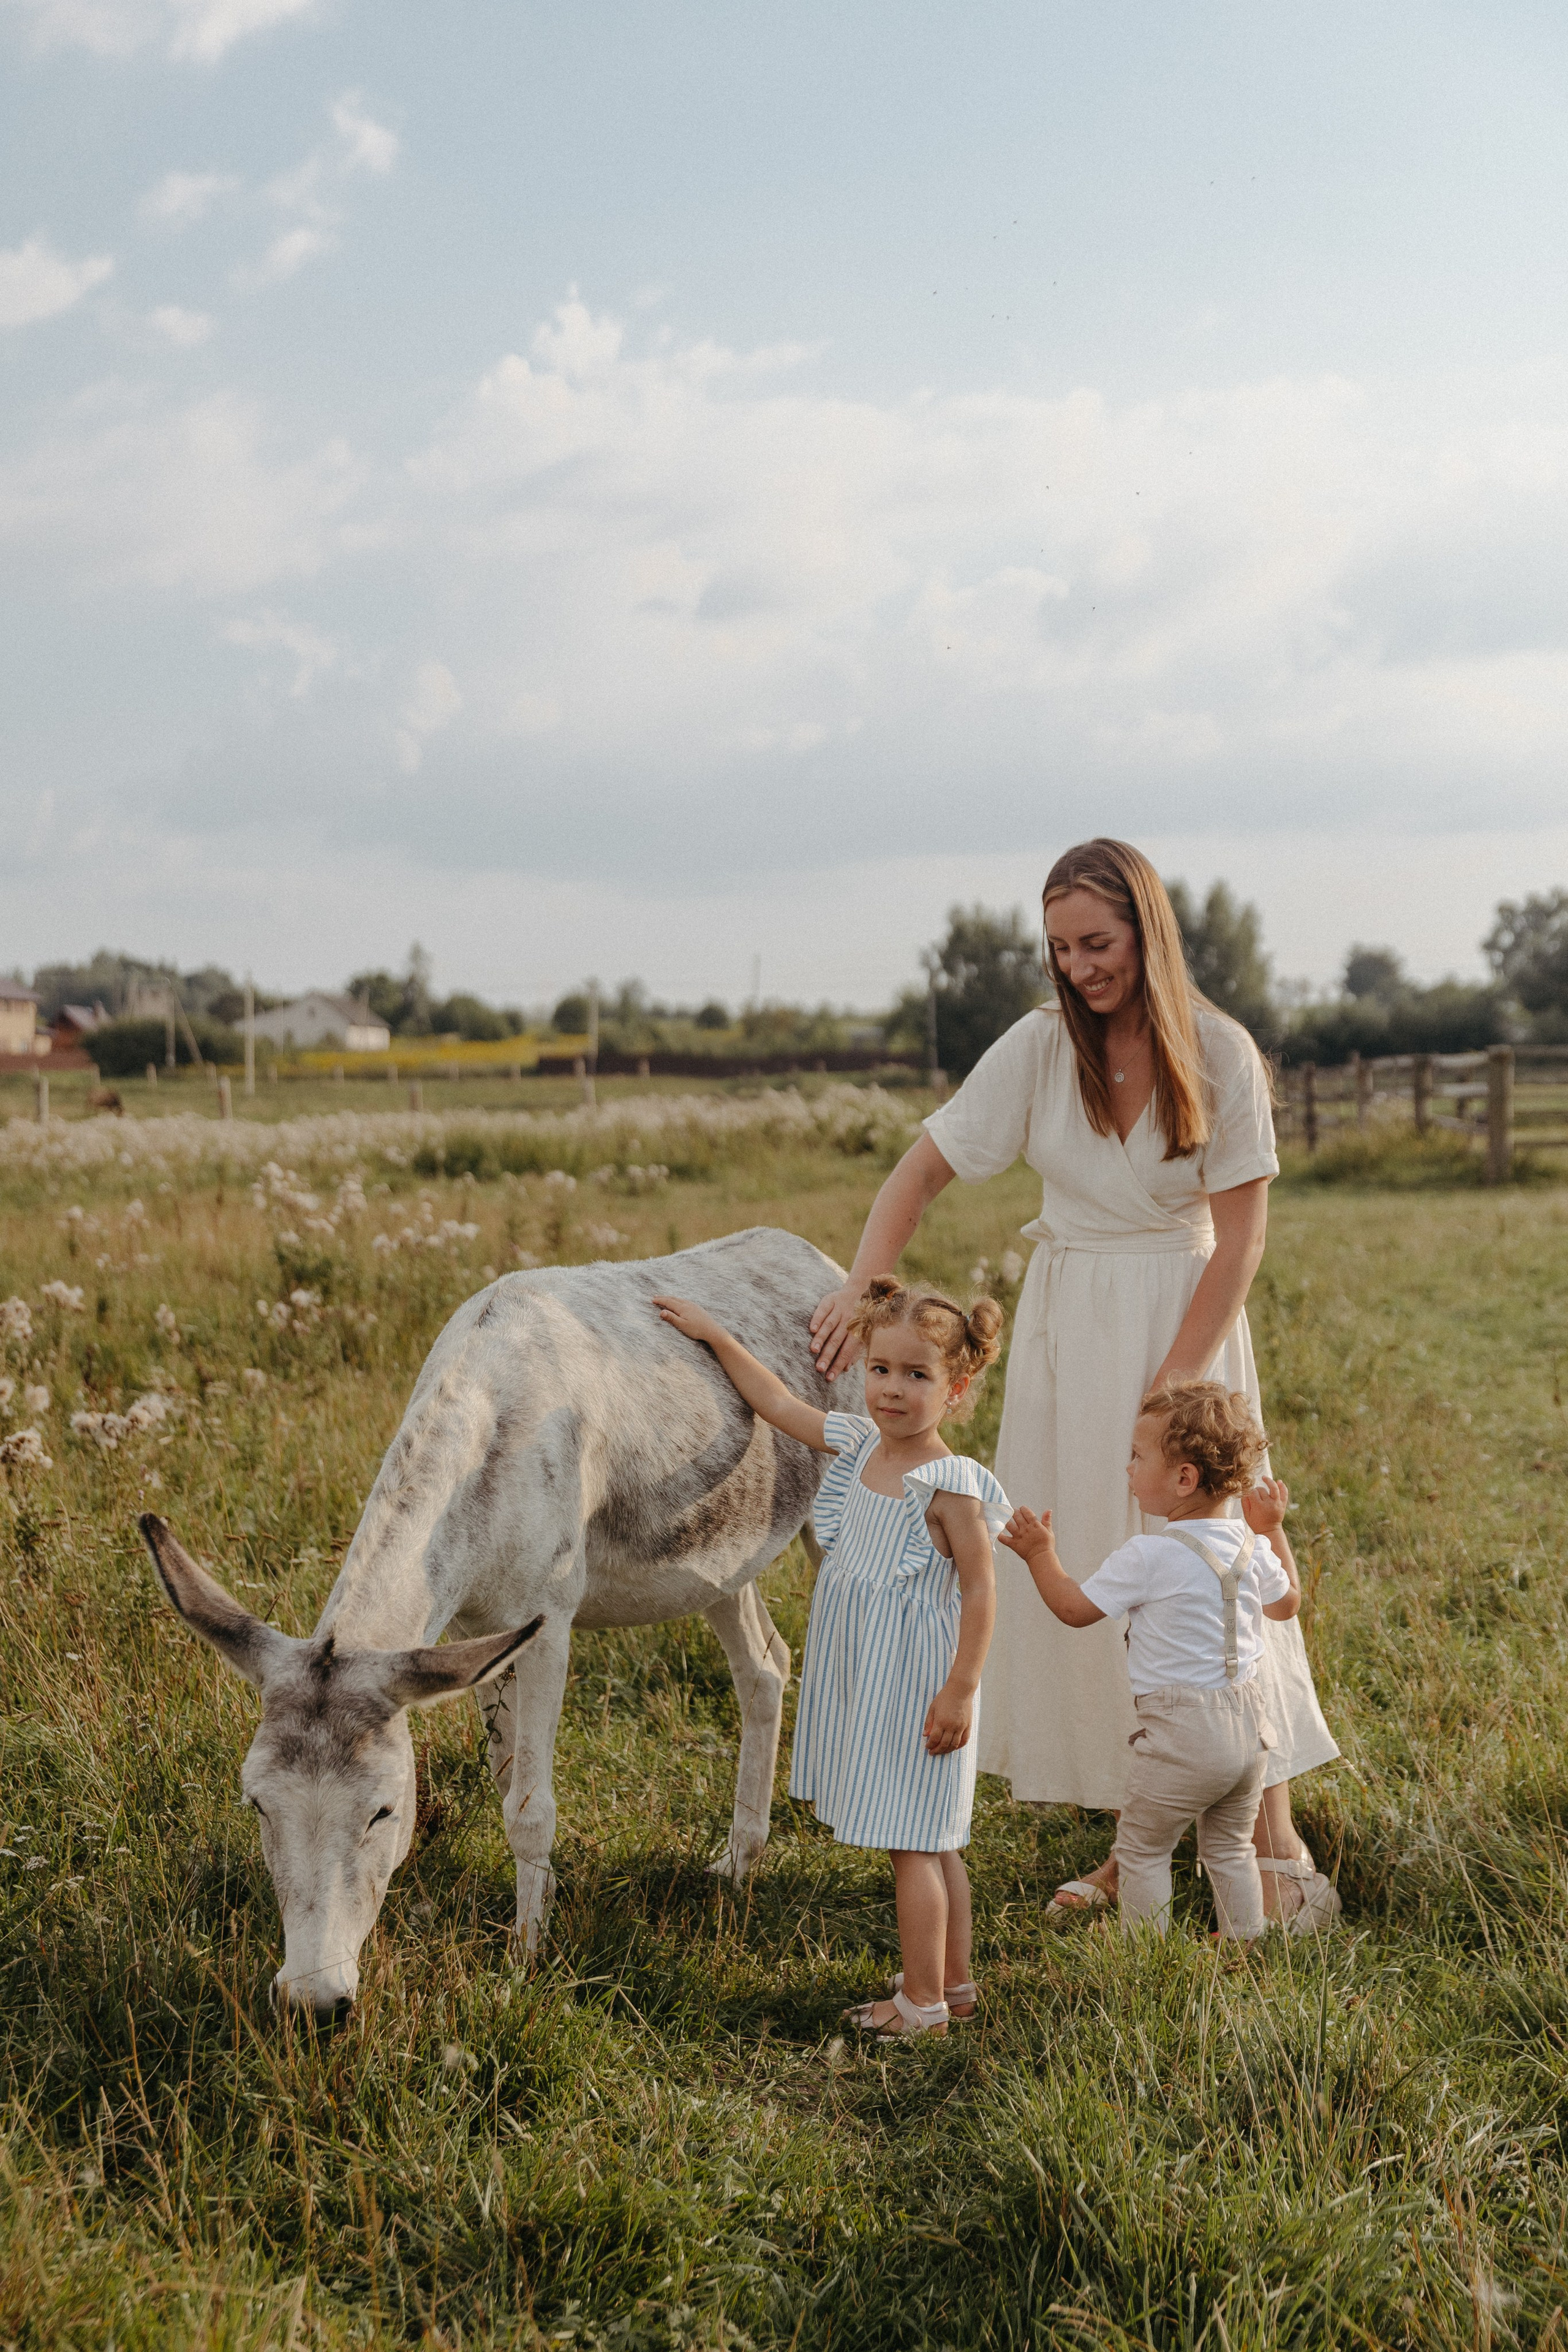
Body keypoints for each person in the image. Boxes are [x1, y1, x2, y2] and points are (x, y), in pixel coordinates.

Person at [810, 837, 1340, 1930]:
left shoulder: (1224, 1053)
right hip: (1068, 1329)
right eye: (1060, 947)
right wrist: (865, 1285)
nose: (1081, 965)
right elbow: (923, 1167)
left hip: (1185, 1325)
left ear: (1148, 930)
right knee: (1102, 1566)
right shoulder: (1042, 1048)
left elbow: (1242, 1236)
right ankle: (1130, 1841)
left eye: (1098, 942)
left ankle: (1272, 1823)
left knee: (1223, 1557)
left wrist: (1178, 1380)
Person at [652, 1275, 1009, 2040]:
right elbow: (778, 1403)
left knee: (913, 1844)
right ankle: (954, 1982)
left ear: (957, 1387)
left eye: (917, 1376)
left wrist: (961, 1689)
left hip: (915, 1690)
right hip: (873, 1681)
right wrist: (717, 1336)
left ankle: (920, 2007)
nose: (891, 1389)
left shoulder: (950, 1488)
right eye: (880, 1370)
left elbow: (981, 1592)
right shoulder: (857, 1443)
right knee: (932, 1837)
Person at [1001, 1381, 1303, 1939]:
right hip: (1250, 1735)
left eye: (1137, 1458)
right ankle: (1244, 1942)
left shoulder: (1150, 1555)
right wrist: (1274, 1531)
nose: (1129, 1470)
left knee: (1142, 1850)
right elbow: (1287, 1605)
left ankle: (1147, 1958)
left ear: (1184, 1478)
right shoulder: (1249, 1544)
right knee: (1231, 1848)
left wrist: (1040, 1553)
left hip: (1182, 1735)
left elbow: (1073, 1610)